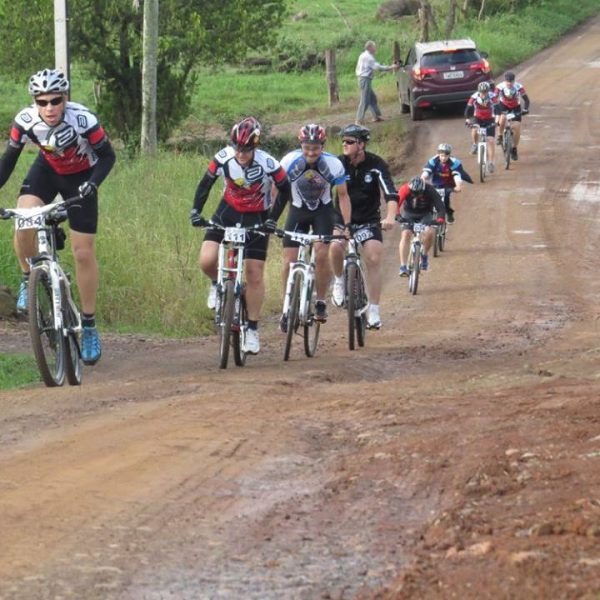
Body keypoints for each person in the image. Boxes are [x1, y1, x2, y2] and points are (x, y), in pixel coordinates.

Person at [0, 68, 116, 365]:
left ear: (65, 98)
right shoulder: (25, 121)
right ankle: (29, 277)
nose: (49, 108)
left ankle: (88, 325)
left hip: (82, 177)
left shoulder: (83, 119)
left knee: (82, 253)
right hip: (47, 171)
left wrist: (93, 184)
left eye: (55, 100)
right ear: (34, 102)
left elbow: (107, 156)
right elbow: (8, 161)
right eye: (42, 101)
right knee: (24, 214)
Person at [189, 116, 291, 355]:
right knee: (206, 260)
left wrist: (272, 220)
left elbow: (285, 189)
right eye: (237, 148)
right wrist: (196, 211)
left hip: (257, 217)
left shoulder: (268, 163)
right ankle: (216, 284)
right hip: (227, 211)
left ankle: (253, 329)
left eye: (246, 150)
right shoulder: (223, 157)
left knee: (254, 274)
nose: (241, 154)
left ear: (255, 146)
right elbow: (205, 184)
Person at [270, 124, 351, 329]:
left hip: (322, 212)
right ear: (301, 145)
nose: (311, 152)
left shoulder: (334, 165)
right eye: (307, 147)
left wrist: (347, 226)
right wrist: (269, 218)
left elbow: (342, 195)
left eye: (315, 148)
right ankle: (287, 306)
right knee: (289, 261)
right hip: (297, 211)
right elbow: (275, 192)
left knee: (321, 253)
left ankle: (321, 301)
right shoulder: (288, 161)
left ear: (322, 146)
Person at [329, 124, 398, 330]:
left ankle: (374, 309)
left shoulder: (376, 164)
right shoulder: (338, 164)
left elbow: (391, 194)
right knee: (335, 247)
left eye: (349, 142)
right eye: (343, 141)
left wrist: (391, 217)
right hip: (341, 218)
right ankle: (340, 281)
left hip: (368, 219)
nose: (345, 145)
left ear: (362, 144)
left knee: (374, 257)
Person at [397, 176, 446, 277]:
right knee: (405, 234)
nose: (415, 196)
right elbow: (396, 204)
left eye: (418, 193)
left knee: (430, 232)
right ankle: (403, 266)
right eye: (413, 193)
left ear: (423, 189)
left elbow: (440, 206)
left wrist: (440, 219)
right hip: (409, 214)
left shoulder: (430, 190)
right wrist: (397, 216)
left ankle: (424, 255)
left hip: (425, 214)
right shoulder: (404, 189)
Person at [421, 143, 472, 224]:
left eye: (446, 156)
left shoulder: (455, 162)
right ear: (438, 154)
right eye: (441, 155)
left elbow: (457, 175)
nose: (443, 158)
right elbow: (427, 171)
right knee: (430, 198)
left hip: (449, 183)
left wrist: (458, 186)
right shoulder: (433, 161)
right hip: (436, 183)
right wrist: (423, 178)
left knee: (445, 198)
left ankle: (449, 212)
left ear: (449, 155)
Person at [355, 41, 399, 125]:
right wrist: (391, 67)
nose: (375, 49)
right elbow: (378, 67)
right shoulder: (369, 57)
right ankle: (359, 119)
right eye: (374, 47)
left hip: (362, 78)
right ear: (370, 48)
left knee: (372, 98)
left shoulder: (363, 55)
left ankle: (376, 116)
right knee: (365, 100)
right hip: (365, 79)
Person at [494, 71, 530, 161]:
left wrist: (525, 109)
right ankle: (500, 136)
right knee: (502, 119)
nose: (509, 83)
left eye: (511, 81)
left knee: (517, 128)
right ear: (504, 81)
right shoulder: (499, 87)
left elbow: (526, 100)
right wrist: (496, 111)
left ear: (514, 81)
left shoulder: (519, 87)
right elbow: (494, 99)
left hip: (515, 107)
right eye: (507, 81)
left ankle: (514, 148)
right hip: (503, 105)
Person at [465, 81, 498, 173]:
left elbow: (498, 109)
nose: (483, 94)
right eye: (482, 92)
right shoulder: (474, 97)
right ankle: (475, 144)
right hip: (478, 118)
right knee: (475, 128)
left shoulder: (493, 97)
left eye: (485, 92)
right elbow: (468, 109)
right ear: (478, 91)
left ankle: (491, 162)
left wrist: (497, 120)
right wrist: (467, 119)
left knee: (490, 141)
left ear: (488, 91)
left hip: (490, 119)